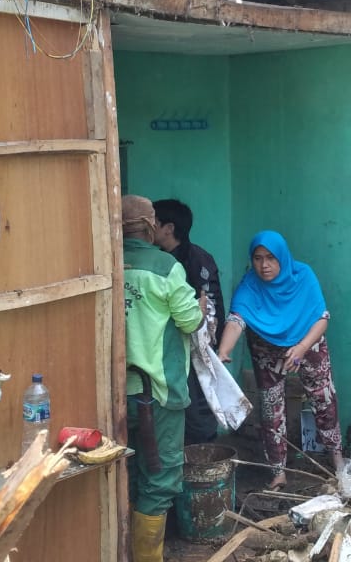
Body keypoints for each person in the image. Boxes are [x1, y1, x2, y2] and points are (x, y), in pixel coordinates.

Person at [216, 230, 344, 491]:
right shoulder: (250, 285)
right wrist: (223, 351)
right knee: (270, 408)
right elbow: (237, 318)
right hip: (267, 348)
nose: (264, 266)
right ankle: (278, 472)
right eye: (258, 258)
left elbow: (322, 317)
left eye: (271, 258)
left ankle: (338, 461)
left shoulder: (303, 276)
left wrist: (301, 348)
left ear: (282, 258)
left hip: (308, 343)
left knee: (324, 399)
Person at [121, 195, 203, 562]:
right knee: (161, 476)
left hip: (116, 392)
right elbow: (189, 321)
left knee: (129, 472)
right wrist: (199, 309)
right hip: (158, 393)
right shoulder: (165, 266)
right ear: (151, 226)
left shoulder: (105, 263)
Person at [152, 198, 227, 445]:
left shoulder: (197, 260)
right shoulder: (158, 259)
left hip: (195, 347)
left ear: (168, 228)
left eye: (154, 221)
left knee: (198, 412)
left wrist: (210, 346)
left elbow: (211, 309)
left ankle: (204, 466)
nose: (148, 227)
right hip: (168, 348)